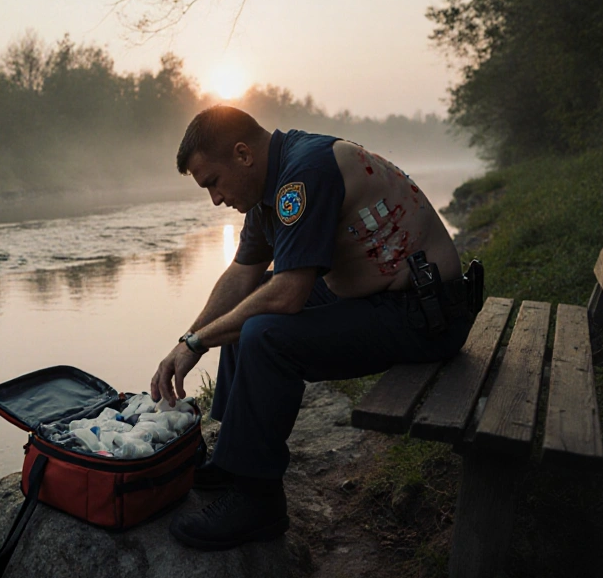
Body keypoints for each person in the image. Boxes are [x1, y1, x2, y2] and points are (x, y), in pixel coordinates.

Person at [151, 105, 474, 551]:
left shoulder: (305, 173)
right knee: (251, 306)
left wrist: (199, 341)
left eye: (213, 183)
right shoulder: (271, 183)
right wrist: (187, 342)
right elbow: (243, 275)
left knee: (265, 333)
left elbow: (287, 296)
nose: (215, 199)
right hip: (385, 299)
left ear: (243, 154)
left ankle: (257, 502)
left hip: (428, 315)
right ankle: (232, 461)